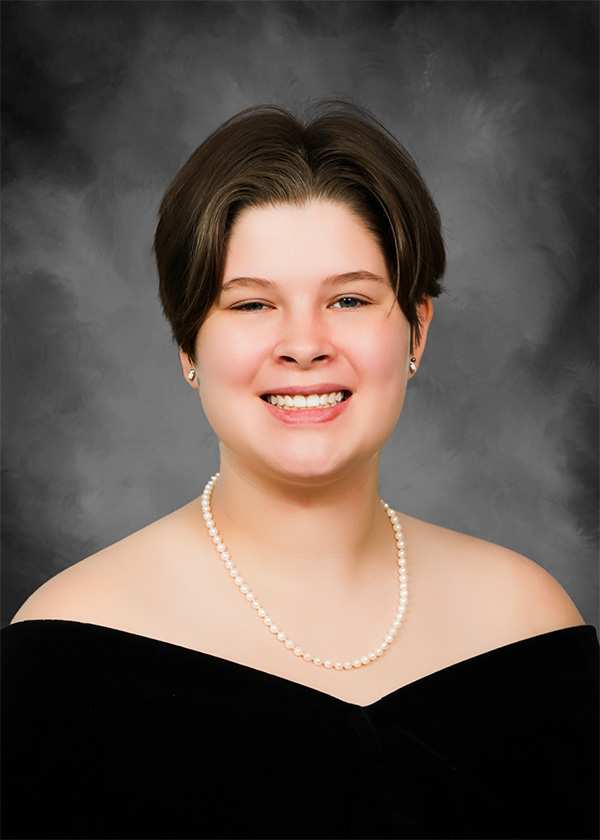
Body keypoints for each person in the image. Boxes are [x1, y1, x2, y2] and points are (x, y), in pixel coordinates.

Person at [2, 103, 597, 840]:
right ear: (188, 345)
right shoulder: (66, 651)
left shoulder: (531, 626)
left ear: (417, 329)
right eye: (253, 304)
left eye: (349, 299)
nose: (305, 344)